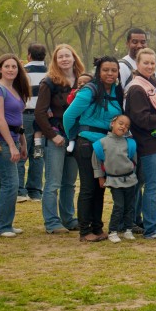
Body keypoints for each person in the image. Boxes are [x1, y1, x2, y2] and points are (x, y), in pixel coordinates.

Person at [64, 56, 128, 242]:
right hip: (86, 144)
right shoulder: (89, 90)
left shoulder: (117, 91)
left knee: (100, 187)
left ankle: (97, 228)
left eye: (113, 70)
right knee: (88, 188)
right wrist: (73, 136)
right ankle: (85, 231)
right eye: (106, 70)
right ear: (98, 71)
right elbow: (69, 116)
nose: (110, 73)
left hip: (106, 145)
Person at [124, 47, 156, 240]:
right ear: (137, 65)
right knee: (153, 185)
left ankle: (144, 221)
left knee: (153, 184)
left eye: (152, 63)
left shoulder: (153, 82)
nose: (149, 66)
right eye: (145, 62)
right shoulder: (137, 88)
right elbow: (140, 118)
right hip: (147, 143)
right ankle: (153, 227)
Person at [34, 44, 83, 234]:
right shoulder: (49, 82)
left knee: (69, 182)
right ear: (55, 60)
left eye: (67, 56)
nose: (64, 59)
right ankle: (52, 222)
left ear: (73, 58)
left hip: (75, 136)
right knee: (53, 182)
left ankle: (68, 218)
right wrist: (52, 136)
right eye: (60, 56)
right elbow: (39, 113)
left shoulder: (81, 81)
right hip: (56, 135)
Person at [0, 54, 31, 238]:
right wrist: (12, 146)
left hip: (13, 137)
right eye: (7, 66)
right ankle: (0, 226)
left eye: (14, 66)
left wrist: (22, 142)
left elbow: (17, 119)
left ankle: (3, 223)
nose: (11, 69)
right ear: (0, 69)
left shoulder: (15, 90)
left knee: (3, 184)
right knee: (11, 183)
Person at [92, 114, 138, 243]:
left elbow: (134, 160)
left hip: (130, 180)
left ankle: (128, 229)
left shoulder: (130, 143)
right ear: (113, 123)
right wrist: (101, 177)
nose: (123, 127)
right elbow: (97, 162)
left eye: (127, 126)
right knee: (119, 206)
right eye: (121, 123)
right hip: (113, 180)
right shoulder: (101, 143)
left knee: (130, 206)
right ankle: (113, 231)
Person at [18, 44, 47, 203]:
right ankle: (35, 191)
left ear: (29, 55)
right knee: (38, 153)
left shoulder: (21, 72)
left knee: (21, 151)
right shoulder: (50, 72)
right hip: (43, 117)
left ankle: (19, 190)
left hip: (25, 115)